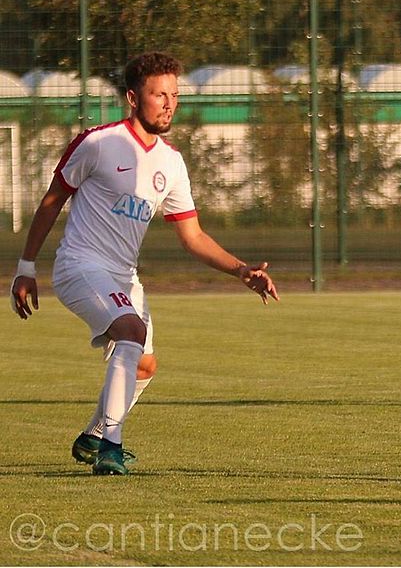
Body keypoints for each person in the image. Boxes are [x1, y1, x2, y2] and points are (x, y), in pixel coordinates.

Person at [9, 52, 279, 475]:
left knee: (145, 364)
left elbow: (193, 237)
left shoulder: (171, 163)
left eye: (175, 95)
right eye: (159, 94)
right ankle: (111, 450)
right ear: (134, 98)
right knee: (131, 331)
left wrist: (242, 270)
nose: (169, 103)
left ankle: (94, 435)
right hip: (80, 266)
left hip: (123, 276)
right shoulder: (99, 142)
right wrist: (26, 267)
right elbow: (52, 200)